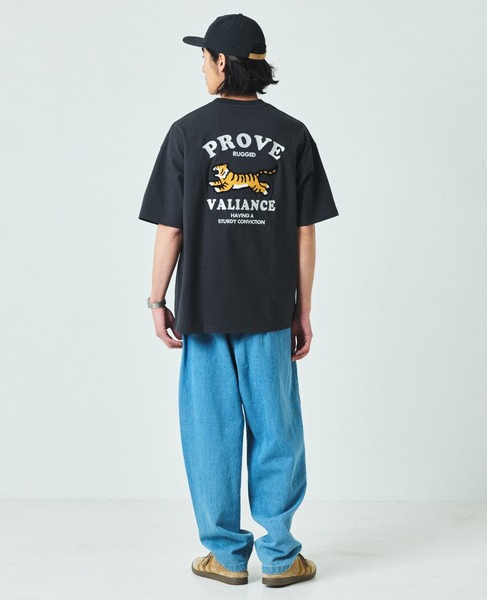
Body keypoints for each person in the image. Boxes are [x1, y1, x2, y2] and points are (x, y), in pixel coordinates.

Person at [138, 13, 339, 587]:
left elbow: (171, 229)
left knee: (211, 433)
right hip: (269, 309)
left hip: (203, 310)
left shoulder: (187, 132)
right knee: (277, 430)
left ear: (223, 62)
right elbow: (304, 231)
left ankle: (226, 557)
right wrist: (302, 308)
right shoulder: (293, 134)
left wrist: (157, 300)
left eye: (204, 58)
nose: (201, 68)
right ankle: (280, 556)